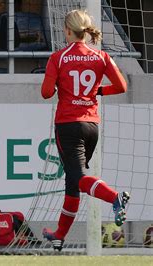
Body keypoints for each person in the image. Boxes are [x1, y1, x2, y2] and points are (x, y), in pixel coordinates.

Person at [40, 10, 130, 251]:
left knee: (78, 179)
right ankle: (59, 235)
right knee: (73, 180)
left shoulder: (58, 58)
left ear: (68, 31)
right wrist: (99, 92)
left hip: (68, 124)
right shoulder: (101, 56)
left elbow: (46, 93)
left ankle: (115, 198)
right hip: (92, 125)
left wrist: (59, 83)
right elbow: (121, 86)